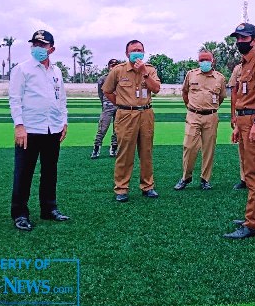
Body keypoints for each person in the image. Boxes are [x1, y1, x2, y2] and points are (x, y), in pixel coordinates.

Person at [9, 30, 69, 231]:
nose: (38, 48)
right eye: (35, 44)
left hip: (52, 128)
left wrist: (64, 122)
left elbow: (61, 99)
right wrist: (19, 126)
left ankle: (49, 209)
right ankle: (20, 214)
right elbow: (15, 99)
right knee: (24, 173)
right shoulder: (22, 69)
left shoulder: (56, 71)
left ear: (52, 48)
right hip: (30, 129)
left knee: (50, 171)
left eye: (42, 45)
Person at [224, 23, 255, 239]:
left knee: (254, 172)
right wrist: (237, 125)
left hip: (254, 119)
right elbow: (241, 96)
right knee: (249, 168)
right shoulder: (243, 65)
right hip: (244, 120)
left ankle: (252, 223)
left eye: (244, 38)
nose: (239, 42)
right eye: (238, 38)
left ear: (254, 40)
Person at [102, 40, 161, 201]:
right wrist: (123, 104)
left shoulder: (150, 69)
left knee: (146, 151)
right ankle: (121, 189)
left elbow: (155, 89)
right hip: (126, 115)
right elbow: (107, 91)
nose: (137, 52)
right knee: (125, 153)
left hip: (146, 114)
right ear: (127, 53)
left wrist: (144, 73)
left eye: (140, 50)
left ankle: (147, 186)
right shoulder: (118, 70)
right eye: (134, 50)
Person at [174, 49, 227, 190]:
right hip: (193, 115)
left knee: (208, 149)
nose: (204, 62)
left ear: (212, 61)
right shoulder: (191, 75)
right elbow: (185, 92)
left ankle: (205, 179)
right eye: (201, 60)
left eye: (207, 60)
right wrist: (191, 107)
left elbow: (221, 97)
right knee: (189, 146)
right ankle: (186, 177)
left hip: (211, 116)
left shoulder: (220, 78)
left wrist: (211, 108)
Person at [91, 58, 120, 159]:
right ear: (108, 67)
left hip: (119, 106)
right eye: (112, 65)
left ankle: (114, 148)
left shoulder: (121, 78)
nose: (114, 67)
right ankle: (96, 149)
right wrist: (104, 103)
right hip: (107, 106)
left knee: (117, 129)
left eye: (116, 65)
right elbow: (100, 93)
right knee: (102, 128)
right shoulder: (103, 79)